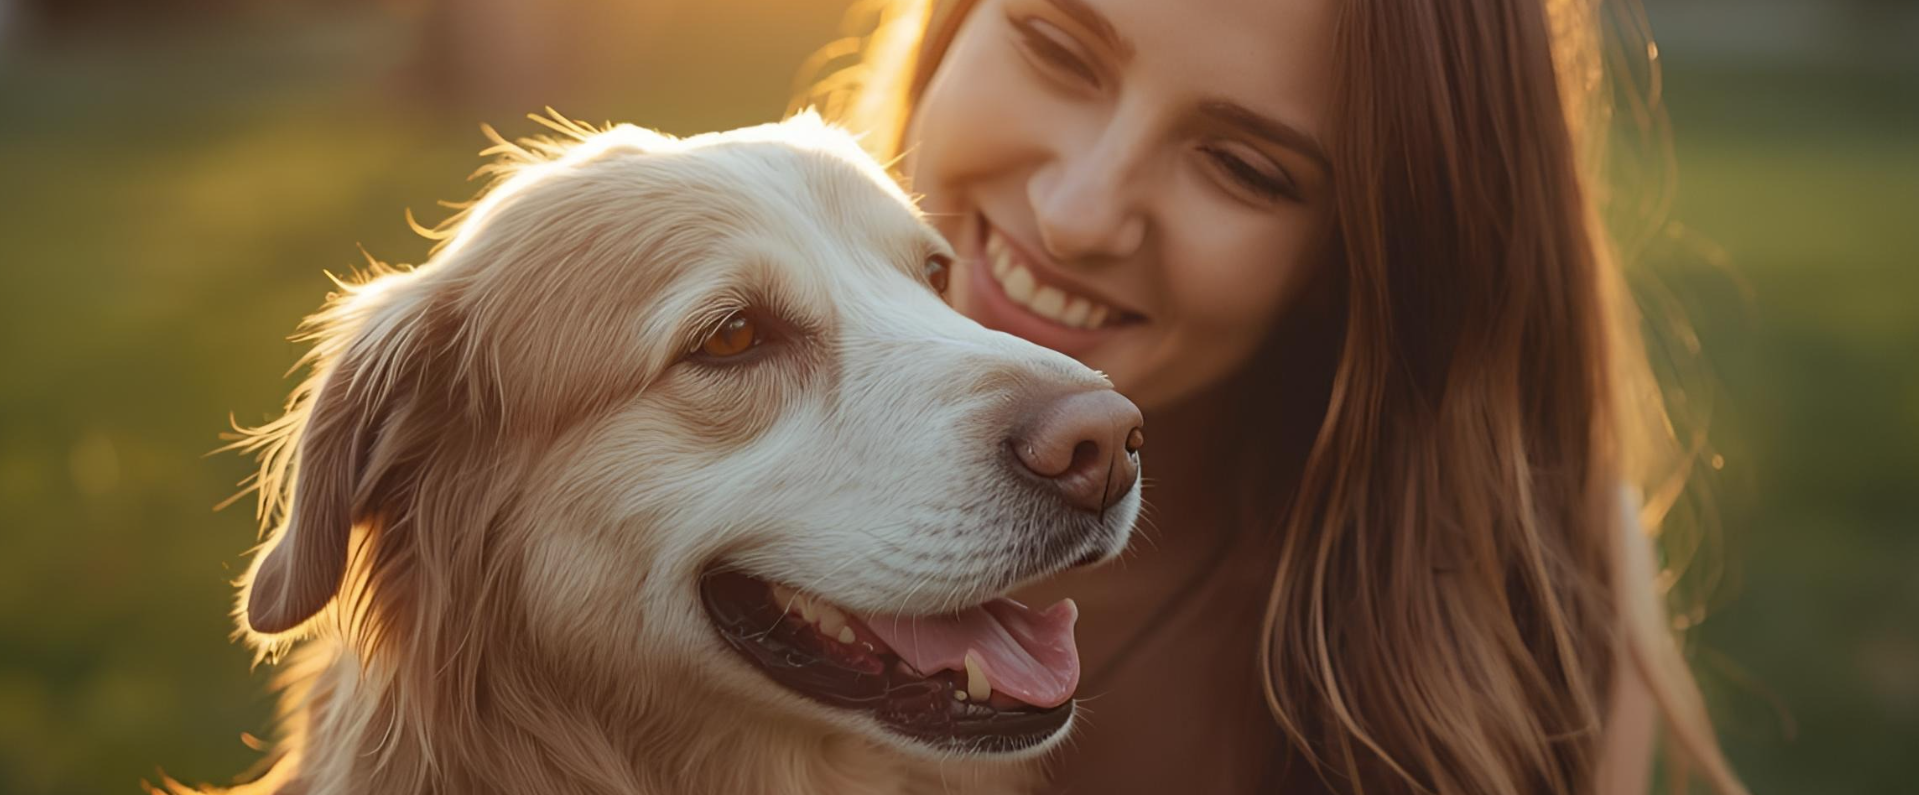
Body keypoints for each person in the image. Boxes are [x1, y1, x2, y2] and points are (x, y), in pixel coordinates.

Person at [797, 0, 1750, 793]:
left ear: (1370, 255)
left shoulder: (1526, 592)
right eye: (1055, 50)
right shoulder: (667, 420)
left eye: (1243, 168)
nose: (1077, 213)